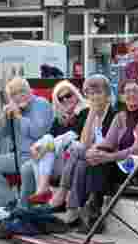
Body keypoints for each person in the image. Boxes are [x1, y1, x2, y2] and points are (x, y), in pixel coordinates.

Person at [81, 79, 138, 233]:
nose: (131, 94)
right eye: (127, 91)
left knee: (102, 162)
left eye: (135, 91)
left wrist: (109, 157)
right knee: (95, 160)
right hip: (122, 164)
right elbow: (108, 142)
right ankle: (93, 213)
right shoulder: (120, 117)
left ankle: (92, 212)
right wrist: (96, 150)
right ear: (122, 96)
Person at [48, 74, 120, 225]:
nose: (94, 97)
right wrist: (92, 113)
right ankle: (73, 210)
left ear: (107, 94)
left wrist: (90, 150)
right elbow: (85, 142)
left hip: (109, 161)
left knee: (76, 150)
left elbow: (110, 145)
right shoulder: (88, 113)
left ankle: (63, 193)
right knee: (80, 162)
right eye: (90, 93)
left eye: (98, 93)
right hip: (89, 159)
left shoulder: (116, 115)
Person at [0, 77, 54, 207]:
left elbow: (38, 131)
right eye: (14, 94)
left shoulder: (41, 104)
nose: (19, 96)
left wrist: (19, 117)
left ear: (30, 91)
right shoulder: (16, 109)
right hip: (19, 156)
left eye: (22, 91)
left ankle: (22, 207)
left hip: (39, 156)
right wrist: (3, 117)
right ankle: (9, 202)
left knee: (26, 168)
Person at [27, 80, 88, 204]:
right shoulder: (59, 119)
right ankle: (41, 190)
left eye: (68, 95)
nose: (65, 100)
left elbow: (74, 136)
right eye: (60, 99)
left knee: (48, 146)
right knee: (44, 143)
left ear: (76, 93)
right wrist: (36, 146)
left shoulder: (85, 112)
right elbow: (48, 137)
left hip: (72, 161)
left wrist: (47, 146)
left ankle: (42, 189)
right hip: (56, 162)